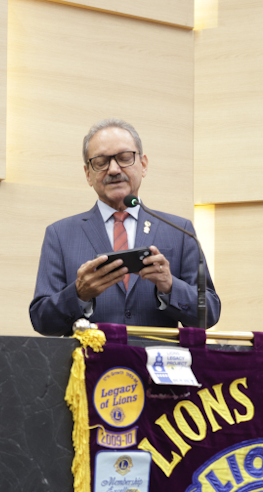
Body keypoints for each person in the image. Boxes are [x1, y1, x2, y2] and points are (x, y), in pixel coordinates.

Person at [30, 119, 220, 336]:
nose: (113, 169)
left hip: (157, 366)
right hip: (90, 366)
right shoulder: (60, 234)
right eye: (101, 162)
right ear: (87, 174)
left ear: (144, 164)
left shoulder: (179, 231)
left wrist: (169, 286)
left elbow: (209, 315)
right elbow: (41, 320)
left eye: (124, 158)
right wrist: (78, 294)